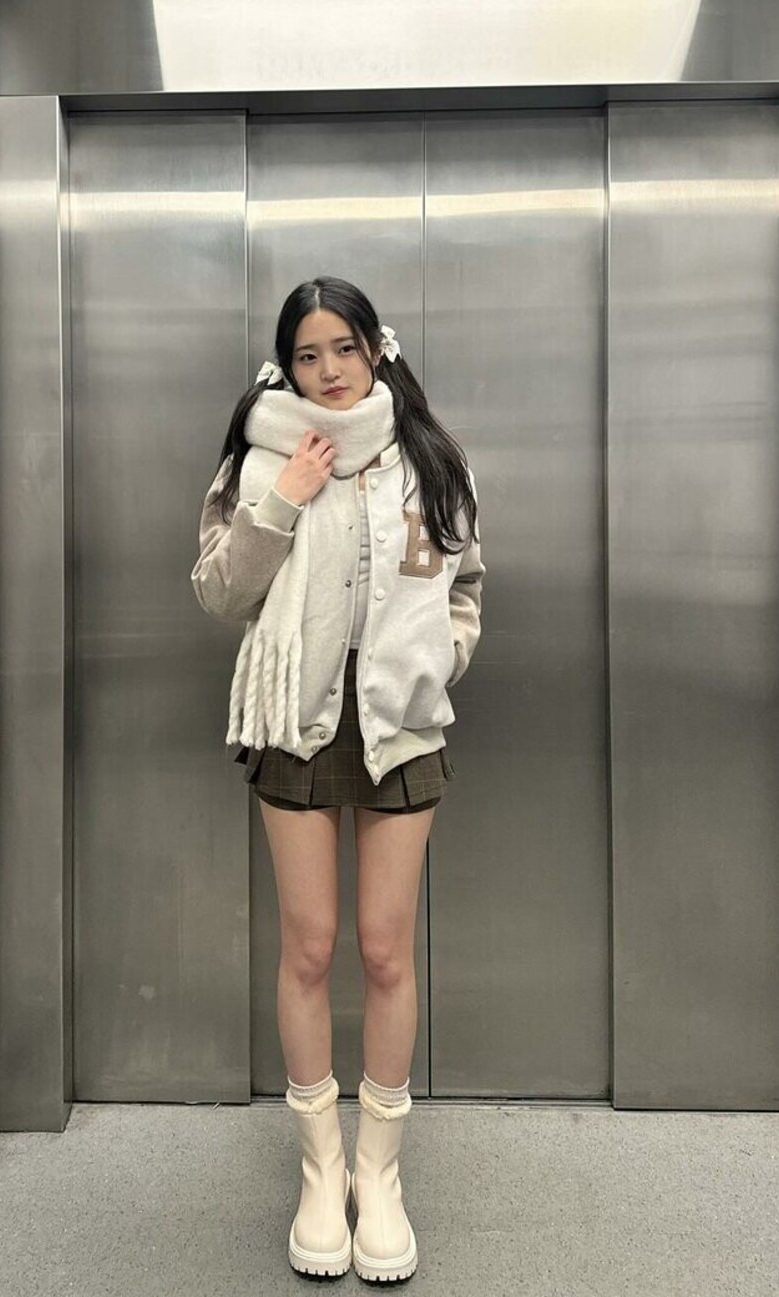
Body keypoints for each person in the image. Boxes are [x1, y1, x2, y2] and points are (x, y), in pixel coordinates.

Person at [191, 275, 484, 1282]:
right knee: (311, 947)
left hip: (401, 725)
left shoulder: (429, 457)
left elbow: (464, 581)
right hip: (296, 720)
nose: (329, 370)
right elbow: (218, 590)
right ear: (285, 365)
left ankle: (379, 1172)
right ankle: (322, 1170)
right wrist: (284, 498)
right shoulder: (262, 456)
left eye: (345, 348)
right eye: (308, 354)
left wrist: (439, 659)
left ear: (376, 350)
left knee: (387, 949)